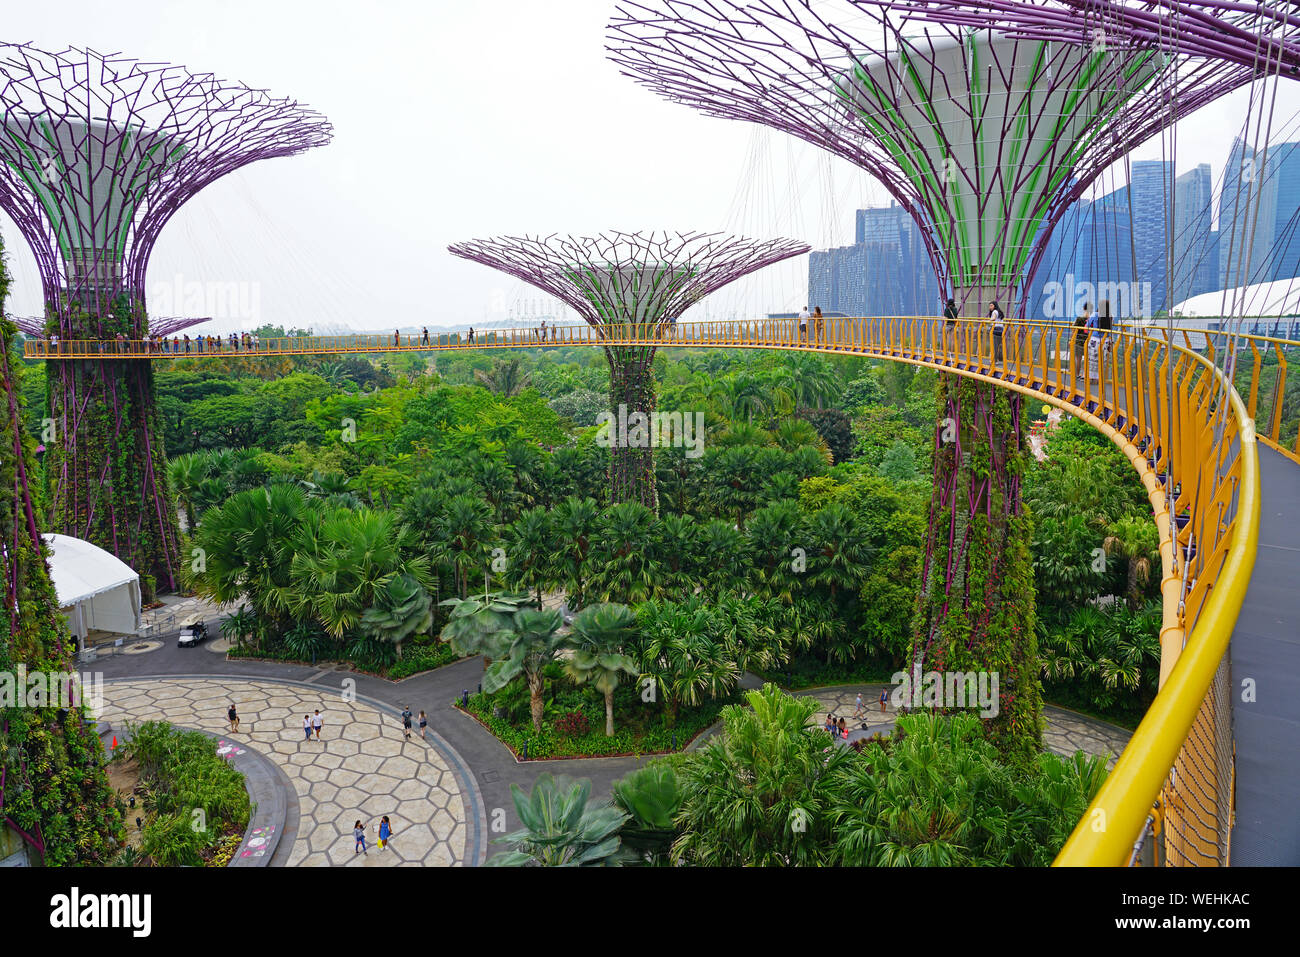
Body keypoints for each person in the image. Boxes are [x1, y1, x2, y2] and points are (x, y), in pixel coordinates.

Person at [1073, 302, 1092, 377]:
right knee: (1087, 359)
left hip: (1079, 341)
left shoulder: (1079, 319)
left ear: (1083, 308)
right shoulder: (1091, 319)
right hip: (1088, 341)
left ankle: (1077, 374)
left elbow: (1074, 330)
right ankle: (1085, 375)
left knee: (1078, 359)